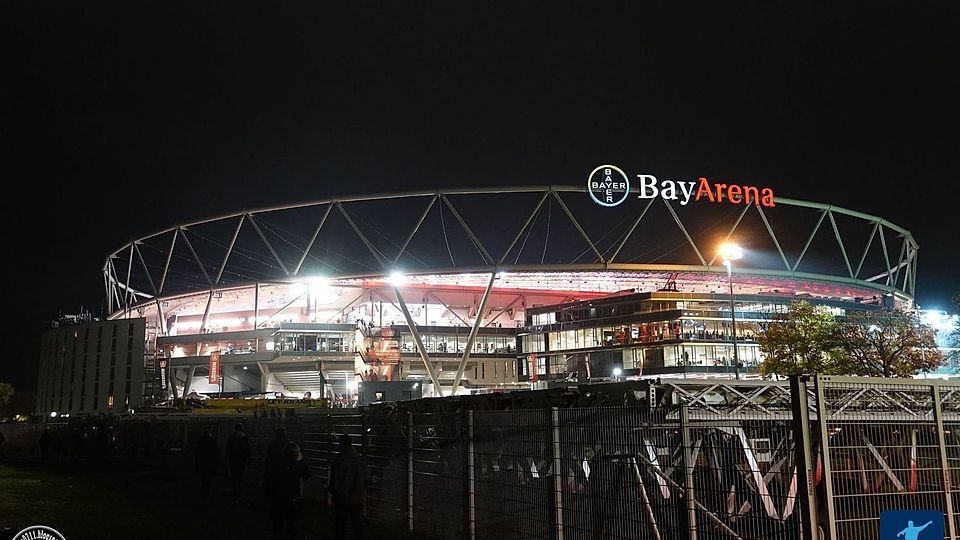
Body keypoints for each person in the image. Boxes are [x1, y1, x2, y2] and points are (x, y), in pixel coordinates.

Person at [327, 434, 367, 540]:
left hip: (341, 499)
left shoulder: (338, 461)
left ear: (341, 444)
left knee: (340, 528)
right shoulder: (359, 459)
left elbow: (335, 482)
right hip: (356, 499)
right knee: (357, 527)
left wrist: (333, 491)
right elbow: (365, 478)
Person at [268, 441, 310, 540]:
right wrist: (300, 461)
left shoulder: (278, 462)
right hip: (292, 497)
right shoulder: (296, 464)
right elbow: (306, 474)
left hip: (278, 497)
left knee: (278, 524)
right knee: (292, 524)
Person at [226, 423, 251, 502]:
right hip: (241, 460)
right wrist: (248, 459)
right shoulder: (244, 438)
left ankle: (235, 491)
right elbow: (247, 449)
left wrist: (228, 458)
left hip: (233, 460)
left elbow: (228, 449)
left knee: (234, 476)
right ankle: (239, 492)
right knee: (240, 476)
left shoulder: (231, 438)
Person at [195, 430, 219, 499]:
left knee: (203, 478)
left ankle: (204, 491)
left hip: (202, 463)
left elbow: (197, 453)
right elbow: (216, 452)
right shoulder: (212, 441)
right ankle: (207, 491)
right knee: (209, 478)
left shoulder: (200, 441)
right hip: (210, 463)